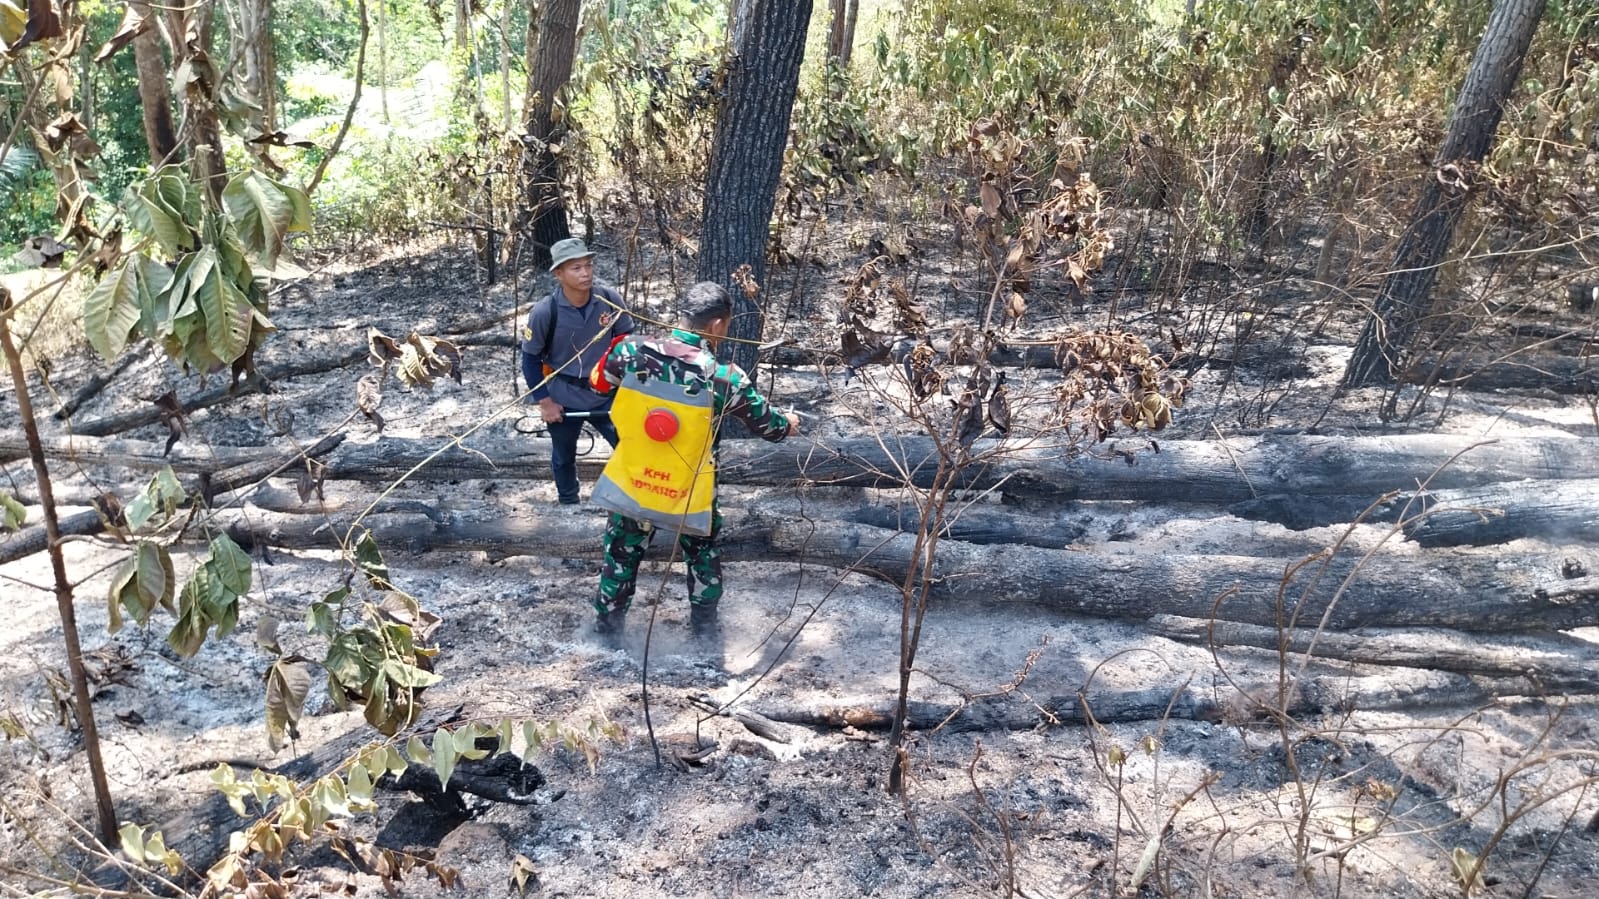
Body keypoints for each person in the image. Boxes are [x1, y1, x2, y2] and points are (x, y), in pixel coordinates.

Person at [585, 281, 798, 638]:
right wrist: (789, 423)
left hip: (634, 480)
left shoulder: (629, 351)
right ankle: (704, 634)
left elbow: (598, 384)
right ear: (716, 325)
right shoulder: (723, 378)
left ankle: (606, 633)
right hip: (689, 490)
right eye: (726, 326)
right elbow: (771, 428)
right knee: (701, 558)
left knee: (620, 558)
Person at [520, 238, 635, 505]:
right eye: (575, 268)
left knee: (629, 447)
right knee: (563, 455)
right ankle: (569, 503)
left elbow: (628, 343)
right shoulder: (545, 311)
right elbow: (529, 360)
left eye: (588, 266)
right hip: (563, 395)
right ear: (559, 274)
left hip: (608, 392)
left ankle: (629, 502)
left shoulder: (609, 300)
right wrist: (546, 402)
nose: (585, 273)